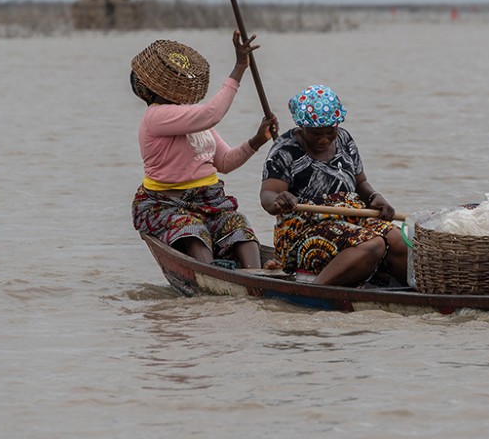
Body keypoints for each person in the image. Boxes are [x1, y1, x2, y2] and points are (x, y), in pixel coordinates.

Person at [131, 33, 278, 269]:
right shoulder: (155, 116)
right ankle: (211, 276)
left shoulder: (191, 119)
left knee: (237, 223)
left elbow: (225, 162)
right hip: (169, 203)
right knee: (191, 229)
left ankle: (257, 275)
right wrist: (240, 68)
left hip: (210, 200)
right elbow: (212, 113)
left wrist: (257, 140)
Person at [259, 85, 407, 287]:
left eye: (330, 132)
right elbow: (268, 194)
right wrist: (279, 201)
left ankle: (414, 293)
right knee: (373, 245)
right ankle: (316, 290)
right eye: (315, 133)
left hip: (352, 216)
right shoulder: (284, 150)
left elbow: (360, 183)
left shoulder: (345, 139)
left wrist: (375, 197)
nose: (323, 139)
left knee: (398, 239)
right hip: (304, 228)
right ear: (302, 127)